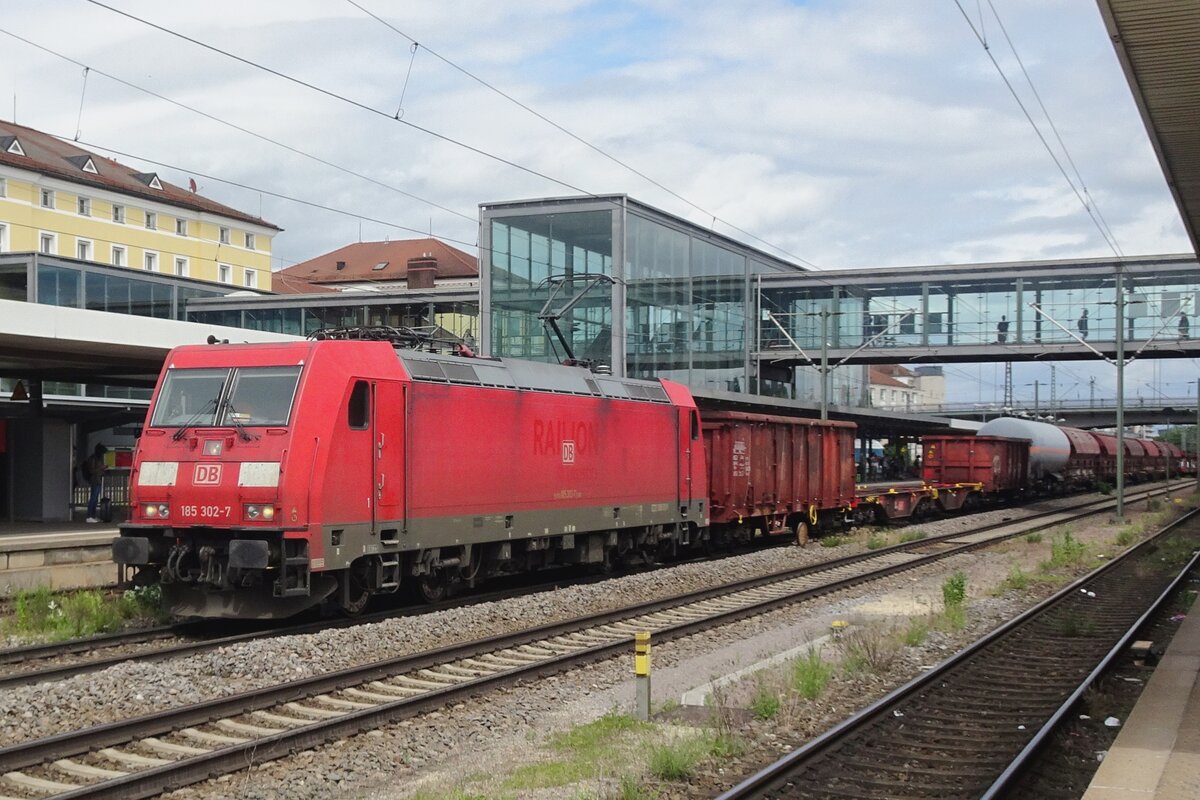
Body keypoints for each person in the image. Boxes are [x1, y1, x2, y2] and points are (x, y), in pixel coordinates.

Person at [84, 444, 108, 523]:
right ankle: (89, 516)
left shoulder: (97, 458)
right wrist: (101, 468)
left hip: (98, 479)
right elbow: (92, 470)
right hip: (94, 479)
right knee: (93, 498)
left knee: (95, 499)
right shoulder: (93, 458)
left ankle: (93, 516)